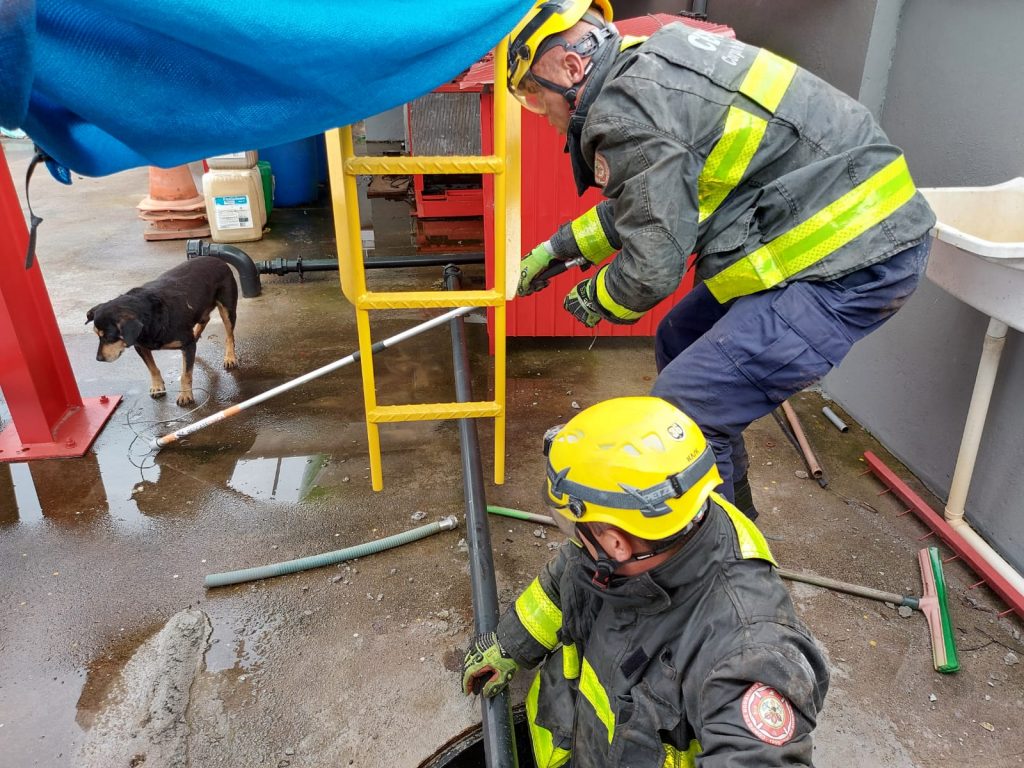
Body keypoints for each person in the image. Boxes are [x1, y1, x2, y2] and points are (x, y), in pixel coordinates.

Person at [506, 0, 936, 519]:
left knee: (688, 402)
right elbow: (654, 202)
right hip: (829, 228)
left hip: (854, 257)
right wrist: (559, 249)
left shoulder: (627, 110)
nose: (542, 115)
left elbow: (653, 266)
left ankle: (726, 567)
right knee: (679, 336)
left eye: (534, 96)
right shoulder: (656, 60)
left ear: (572, 69)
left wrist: (597, 296)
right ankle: (734, 506)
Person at [462, 396, 830, 767]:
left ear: (617, 542)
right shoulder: (667, 524)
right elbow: (566, 580)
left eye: (575, 526)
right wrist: (508, 644)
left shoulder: (746, 651)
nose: (574, 540)